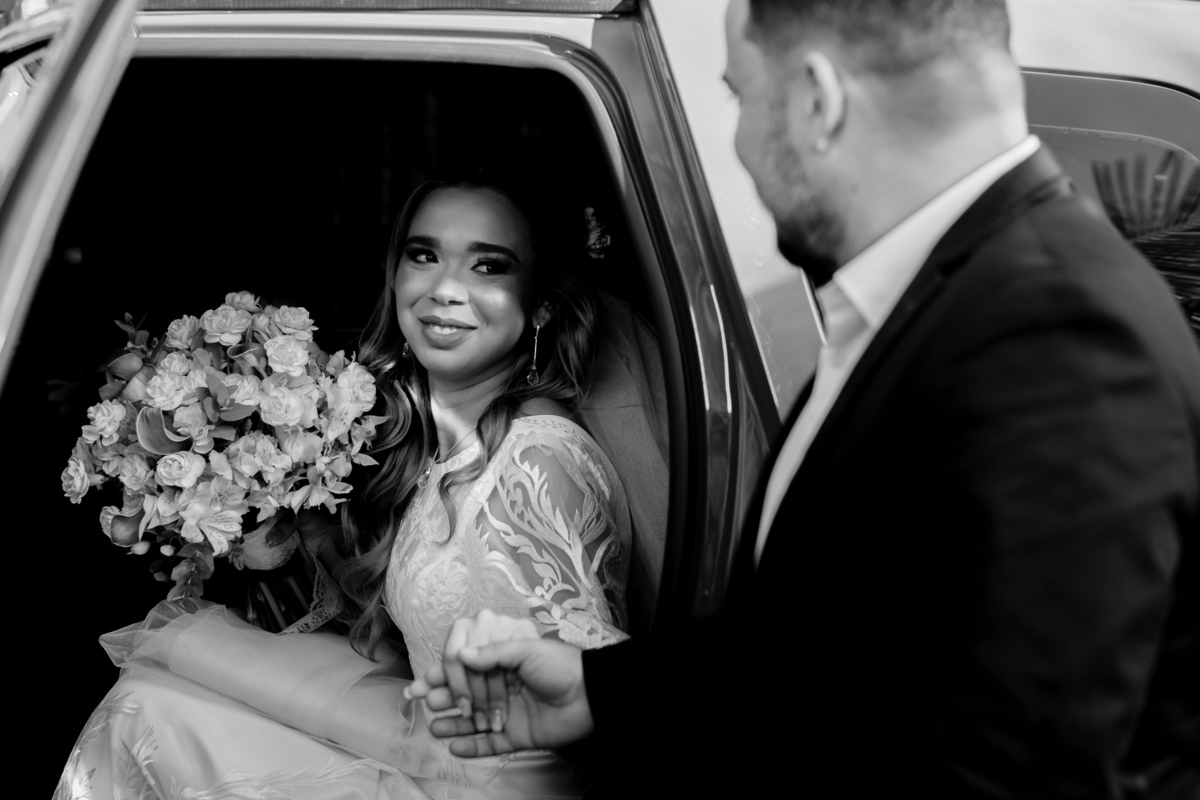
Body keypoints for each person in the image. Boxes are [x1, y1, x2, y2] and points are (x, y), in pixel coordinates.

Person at [409, 2, 1200, 798]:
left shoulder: (1058, 334)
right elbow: (821, 650)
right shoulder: (921, 308)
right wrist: (595, 688)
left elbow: (1014, 768)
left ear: (818, 100)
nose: (742, 147)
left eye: (740, 99)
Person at [57, 173, 640, 800]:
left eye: (488, 266)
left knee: (150, 717)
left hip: (470, 789)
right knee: (154, 695)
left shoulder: (533, 463)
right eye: (424, 255)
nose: (445, 289)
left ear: (543, 303)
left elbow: (595, 696)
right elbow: (435, 615)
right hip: (427, 752)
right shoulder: (443, 440)